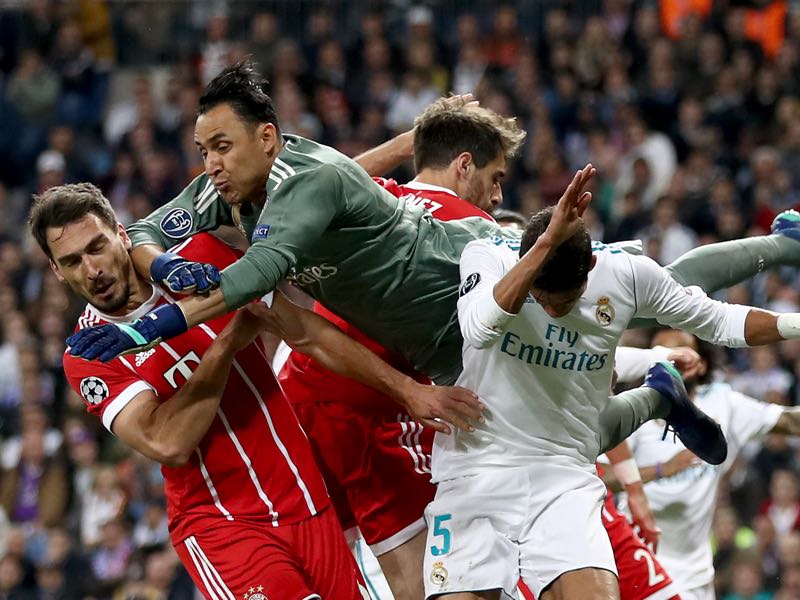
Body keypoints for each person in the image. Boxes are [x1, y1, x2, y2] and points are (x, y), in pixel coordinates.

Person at [68, 61, 800, 469]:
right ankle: (659, 388)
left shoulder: (332, 187)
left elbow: (263, 267)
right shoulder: (267, 187)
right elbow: (145, 225)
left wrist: (145, 330)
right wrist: (160, 264)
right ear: (459, 163)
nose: (209, 163)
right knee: (566, 435)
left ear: (266, 137)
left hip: (472, 289)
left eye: (220, 147)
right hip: (438, 353)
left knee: (640, 288)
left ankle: (783, 243)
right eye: (202, 150)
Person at [31, 182, 477, 599]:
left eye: (97, 247)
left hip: (306, 498)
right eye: (72, 261)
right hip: (222, 523)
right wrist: (228, 339)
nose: (92, 270)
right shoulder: (89, 354)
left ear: (122, 236)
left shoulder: (201, 260)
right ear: (55, 270)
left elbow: (306, 330)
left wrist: (407, 391)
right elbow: (167, 441)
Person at [429, 173, 800, 600]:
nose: (550, 309)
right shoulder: (486, 254)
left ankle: (660, 394)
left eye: (562, 300)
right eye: (542, 297)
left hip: (563, 473)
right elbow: (478, 330)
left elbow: (719, 320)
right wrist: (544, 245)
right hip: (476, 470)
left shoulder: (624, 275)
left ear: (589, 268)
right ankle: (656, 397)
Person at [621, 328, 800, 600]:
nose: (668, 367)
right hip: (640, 559)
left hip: (695, 575)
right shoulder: (631, 408)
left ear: (700, 364)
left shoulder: (722, 403)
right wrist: (660, 470)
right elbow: (601, 474)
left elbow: (788, 421)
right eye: (658, 358)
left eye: (678, 358)